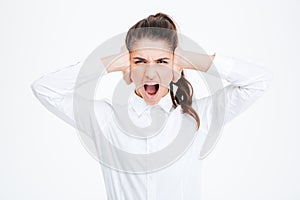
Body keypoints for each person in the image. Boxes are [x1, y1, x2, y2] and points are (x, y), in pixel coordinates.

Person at [31, 12, 273, 200]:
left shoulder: (198, 117)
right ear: (127, 68)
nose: (150, 71)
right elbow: (44, 88)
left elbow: (257, 81)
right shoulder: (104, 117)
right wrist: (107, 64)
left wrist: (195, 60)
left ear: (176, 66)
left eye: (161, 61)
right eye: (139, 61)